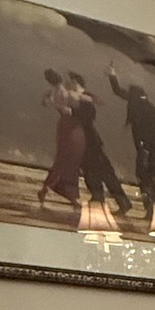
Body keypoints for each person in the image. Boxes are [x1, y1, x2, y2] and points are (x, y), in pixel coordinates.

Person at [66, 71, 131, 215]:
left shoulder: (85, 99)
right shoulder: (80, 99)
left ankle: (121, 201)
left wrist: (72, 114)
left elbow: (87, 117)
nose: (68, 84)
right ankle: (99, 197)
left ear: (76, 83)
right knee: (91, 171)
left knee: (104, 171)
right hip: (85, 140)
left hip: (90, 141)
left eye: (70, 81)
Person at [108, 66, 155, 221]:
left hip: (146, 150)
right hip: (154, 150)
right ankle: (154, 211)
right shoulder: (151, 109)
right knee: (149, 182)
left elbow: (119, 91)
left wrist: (112, 75)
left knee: (145, 180)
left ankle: (151, 211)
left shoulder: (139, 107)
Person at [38, 69, 85, 212]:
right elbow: (68, 110)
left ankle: (49, 190)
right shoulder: (63, 93)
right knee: (67, 160)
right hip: (69, 127)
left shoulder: (53, 92)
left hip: (65, 127)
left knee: (64, 160)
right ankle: (57, 192)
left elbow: (46, 101)